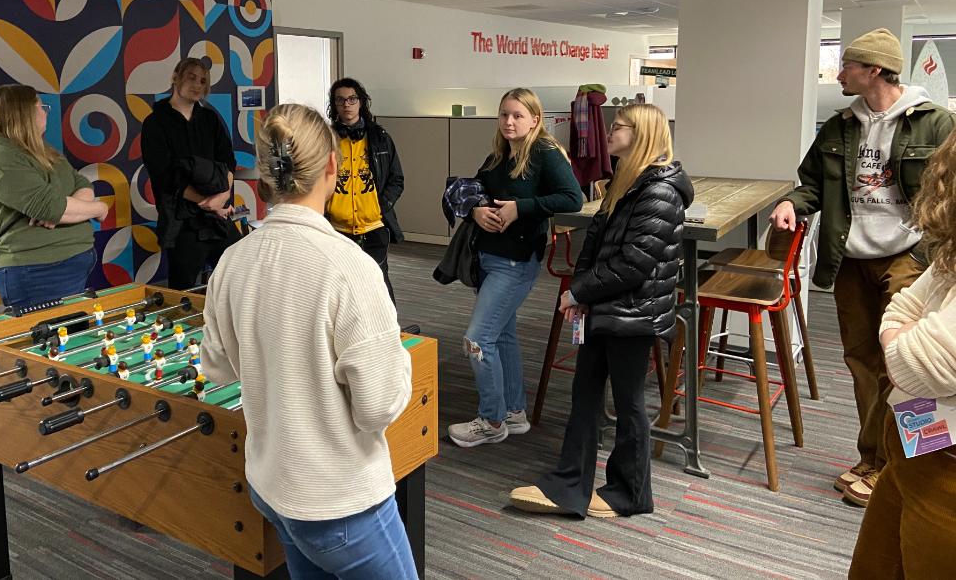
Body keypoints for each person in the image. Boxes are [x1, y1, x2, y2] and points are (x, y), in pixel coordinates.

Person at [200, 103, 417, 580]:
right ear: (333, 167)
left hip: (273, 489)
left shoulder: (231, 261)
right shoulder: (351, 267)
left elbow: (216, 368)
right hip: (342, 501)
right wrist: (399, 361)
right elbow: (378, 407)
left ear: (264, 175)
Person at [771, 28, 956, 506]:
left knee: (905, 363)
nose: (839, 74)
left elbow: (948, 191)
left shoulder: (936, 123)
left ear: (874, 70)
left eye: (847, 65)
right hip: (851, 258)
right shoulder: (840, 126)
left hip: (910, 256)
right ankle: (874, 457)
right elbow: (811, 183)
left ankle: (899, 464)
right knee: (862, 362)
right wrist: (793, 203)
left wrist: (933, 252)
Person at [509, 104, 691, 518]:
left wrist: (579, 292)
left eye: (619, 127)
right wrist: (582, 293)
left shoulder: (659, 192)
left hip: (634, 313)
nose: (609, 131)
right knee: (585, 393)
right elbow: (596, 245)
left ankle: (630, 493)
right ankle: (569, 482)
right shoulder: (627, 180)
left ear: (641, 135)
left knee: (628, 402)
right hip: (607, 304)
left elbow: (634, 263)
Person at [447, 88, 584, 447]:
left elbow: (573, 198)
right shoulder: (500, 153)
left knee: (478, 339)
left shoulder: (545, 152)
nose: (509, 121)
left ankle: (491, 420)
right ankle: (513, 412)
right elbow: (477, 189)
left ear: (535, 119)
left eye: (518, 115)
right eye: (504, 114)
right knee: (501, 335)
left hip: (515, 262)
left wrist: (520, 208)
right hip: (488, 257)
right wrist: (476, 210)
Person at [849, 129, 956, 576]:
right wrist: (904, 333)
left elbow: (919, 364)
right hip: (918, 445)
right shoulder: (952, 252)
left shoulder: (924, 119)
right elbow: (905, 306)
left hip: (947, 468)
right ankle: (869, 458)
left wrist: (901, 338)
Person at [0, 84, 108, 308]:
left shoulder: (41, 149)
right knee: (49, 332)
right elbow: (50, 207)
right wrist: (99, 208)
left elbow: (80, 183)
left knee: (74, 330)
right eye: (41, 107)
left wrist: (64, 209)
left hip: (74, 261)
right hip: (37, 270)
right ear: (24, 113)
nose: (46, 112)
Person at [142, 57, 241, 290]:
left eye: (203, 81)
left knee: (239, 271)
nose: (197, 84)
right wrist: (207, 203)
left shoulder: (210, 119)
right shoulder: (155, 122)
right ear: (175, 77)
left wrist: (222, 197)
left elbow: (228, 161)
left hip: (216, 217)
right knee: (184, 289)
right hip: (181, 221)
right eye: (191, 77)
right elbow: (164, 175)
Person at [325, 78, 404, 302]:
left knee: (378, 285)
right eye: (340, 100)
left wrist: (380, 206)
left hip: (373, 226)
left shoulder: (380, 138)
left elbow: (397, 179)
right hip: (337, 229)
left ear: (361, 102)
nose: (346, 105)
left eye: (352, 99)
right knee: (341, 288)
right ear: (334, 105)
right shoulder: (325, 139)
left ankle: (388, 324)